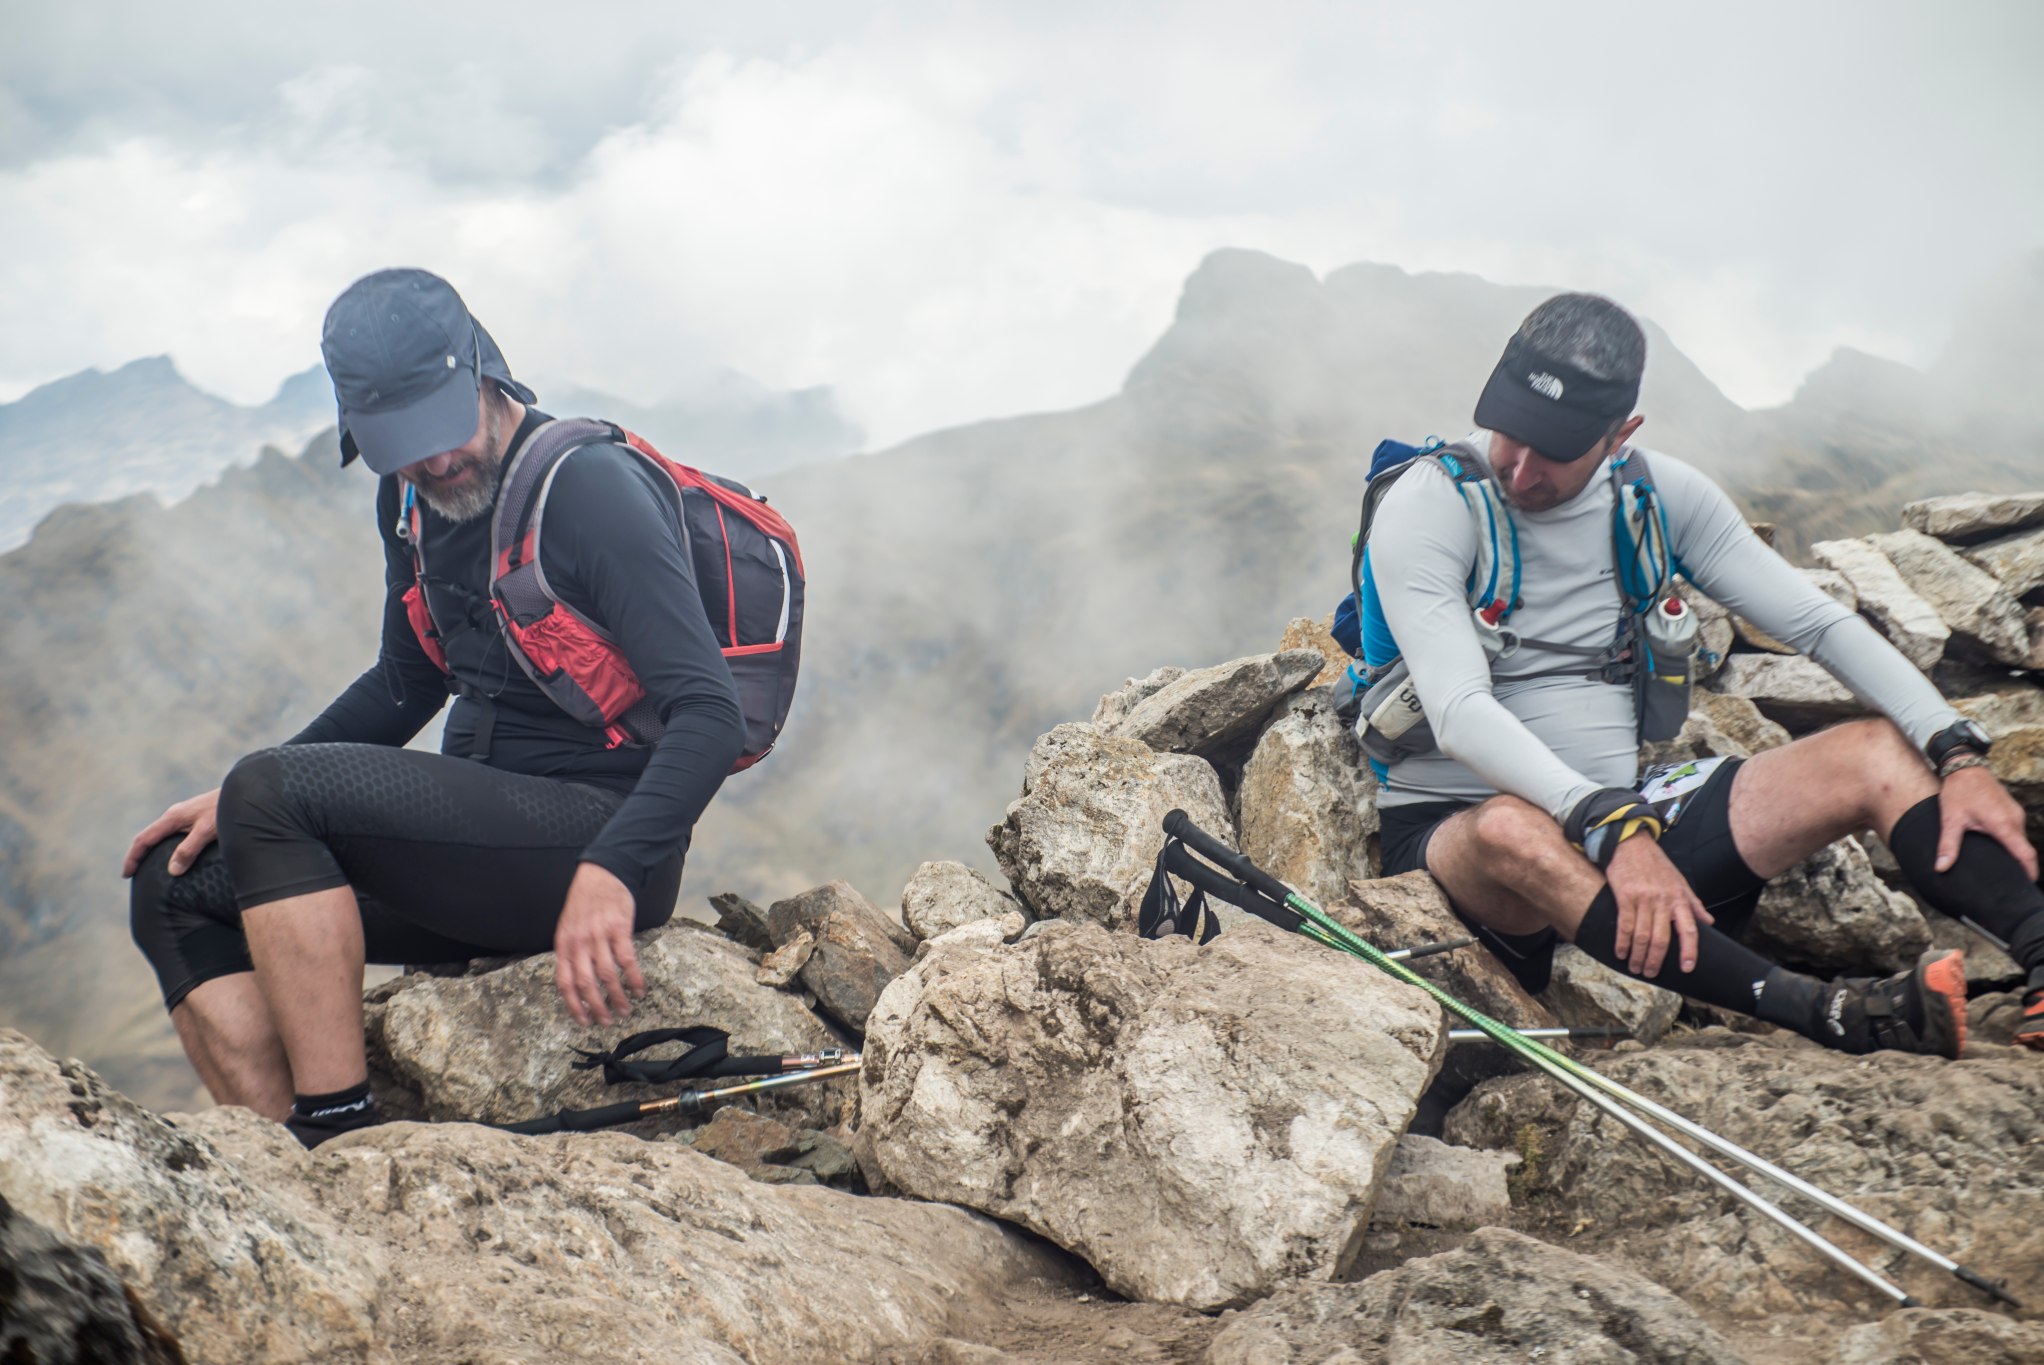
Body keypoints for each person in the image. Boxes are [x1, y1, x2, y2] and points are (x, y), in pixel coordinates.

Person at [125, 268, 746, 1145]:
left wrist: (611, 867)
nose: (434, 460)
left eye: (444, 429)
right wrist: (237, 804)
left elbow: (709, 712)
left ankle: (342, 1139)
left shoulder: (591, 490)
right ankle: (277, 1162)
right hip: (474, 852)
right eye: (401, 444)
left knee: (262, 788)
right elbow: (405, 680)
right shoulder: (411, 498)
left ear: (487, 374)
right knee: (174, 880)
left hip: (599, 847)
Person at [1368, 292, 2044, 1057]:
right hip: (1464, 846)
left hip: (1628, 830)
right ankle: (1833, 1013)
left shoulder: (1657, 498)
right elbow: (1457, 709)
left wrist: (1956, 751)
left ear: (1620, 434)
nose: (1520, 468)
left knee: (1877, 754)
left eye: (1553, 449)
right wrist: (1613, 823)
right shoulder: (1431, 504)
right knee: (1509, 827)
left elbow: (1818, 623)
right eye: (1509, 433)